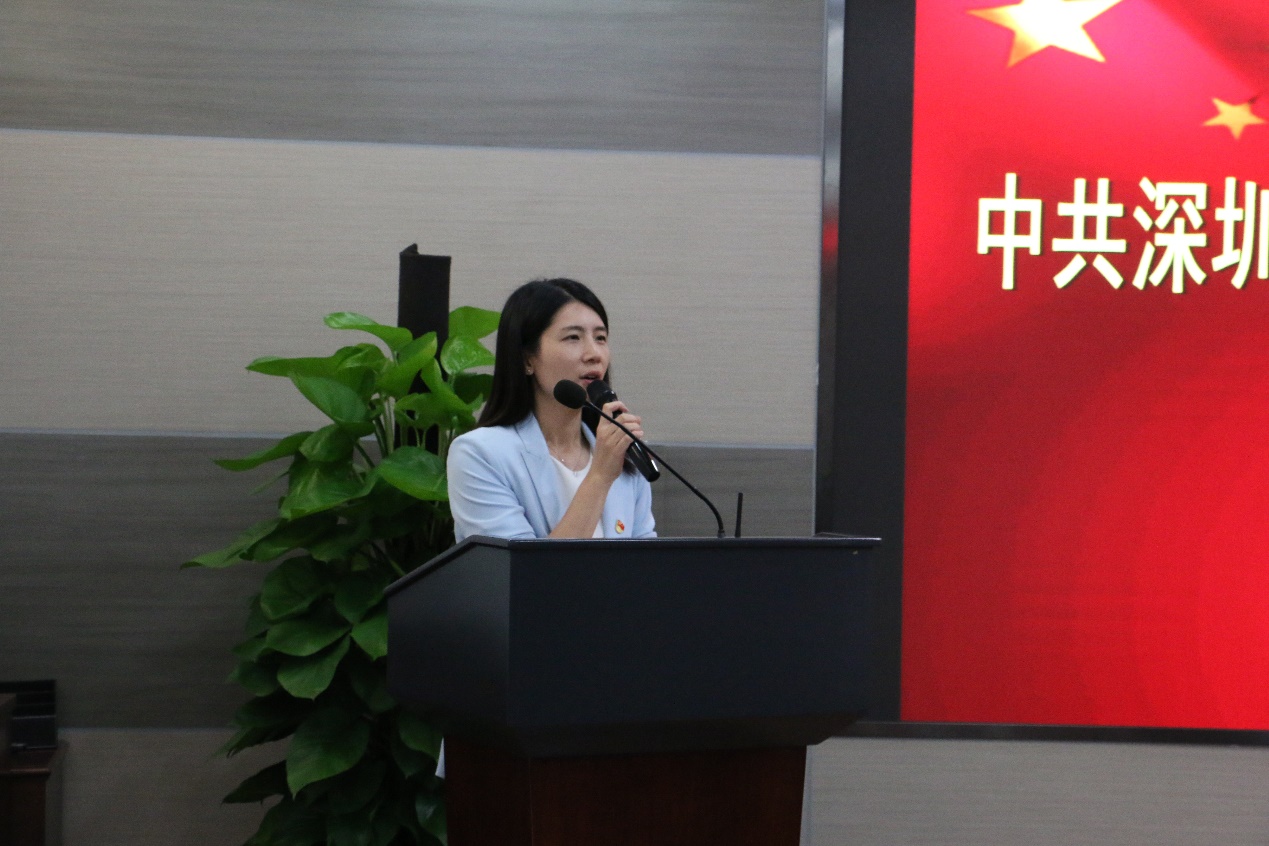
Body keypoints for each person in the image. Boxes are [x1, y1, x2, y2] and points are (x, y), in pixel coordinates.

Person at [447, 278, 656, 542]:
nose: (594, 354)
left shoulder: (622, 454)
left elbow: (646, 559)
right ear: (527, 359)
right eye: (573, 337)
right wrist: (600, 476)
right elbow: (522, 566)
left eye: (600, 338)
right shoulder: (480, 454)